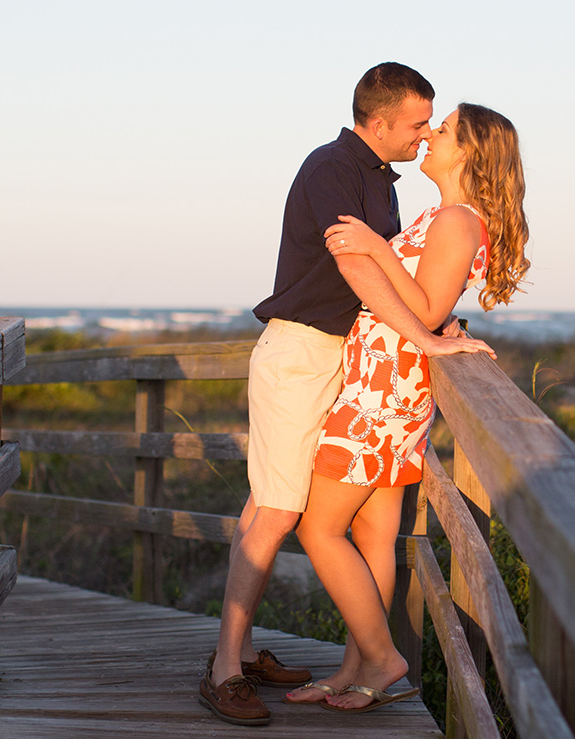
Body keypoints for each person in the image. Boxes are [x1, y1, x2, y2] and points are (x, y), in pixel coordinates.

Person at [198, 63, 496, 727]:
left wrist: (431, 325)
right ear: (381, 121)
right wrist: (428, 330)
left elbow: (408, 275)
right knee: (277, 509)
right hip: (304, 352)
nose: (425, 134)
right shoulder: (334, 166)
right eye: (420, 123)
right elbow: (357, 263)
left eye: (435, 126)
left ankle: (274, 655)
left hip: (351, 366)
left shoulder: (388, 189)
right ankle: (223, 667)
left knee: (284, 507)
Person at [284, 102, 529, 712]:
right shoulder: (450, 217)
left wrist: (374, 246)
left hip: (384, 391)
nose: (428, 137)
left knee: (317, 526)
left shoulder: (455, 221)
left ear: (468, 151)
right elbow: (433, 307)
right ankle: (357, 672)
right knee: (370, 534)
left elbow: (421, 310)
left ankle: (383, 654)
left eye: (441, 130)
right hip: (386, 382)